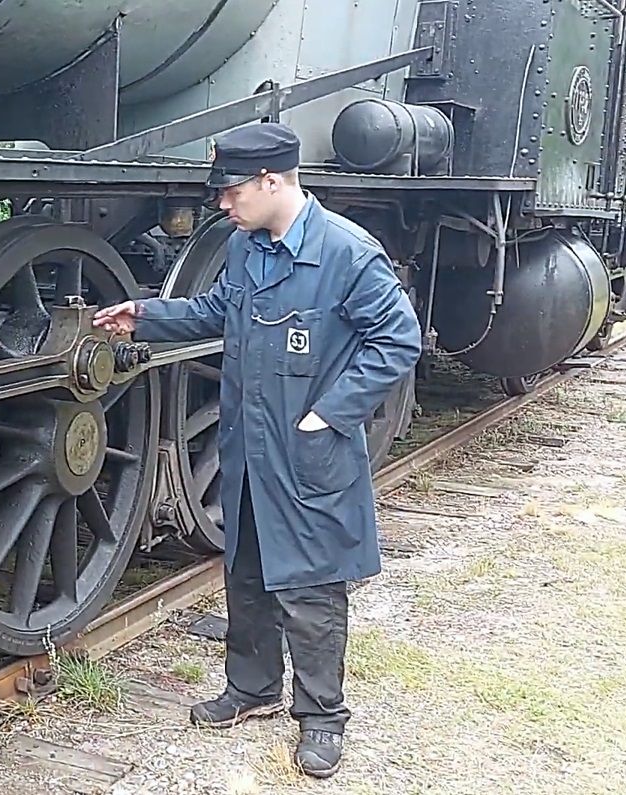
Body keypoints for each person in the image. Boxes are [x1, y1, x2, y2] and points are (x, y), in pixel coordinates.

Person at [93, 122, 422, 778]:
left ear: (273, 181)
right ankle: (251, 689)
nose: (223, 203)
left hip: (308, 452)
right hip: (247, 447)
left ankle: (322, 715)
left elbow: (398, 339)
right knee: (246, 573)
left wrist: (329, 413)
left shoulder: (346, 253)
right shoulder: (248, 247)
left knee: (310, 586)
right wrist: (146, 315)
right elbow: (220, 310)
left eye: (231, 190)